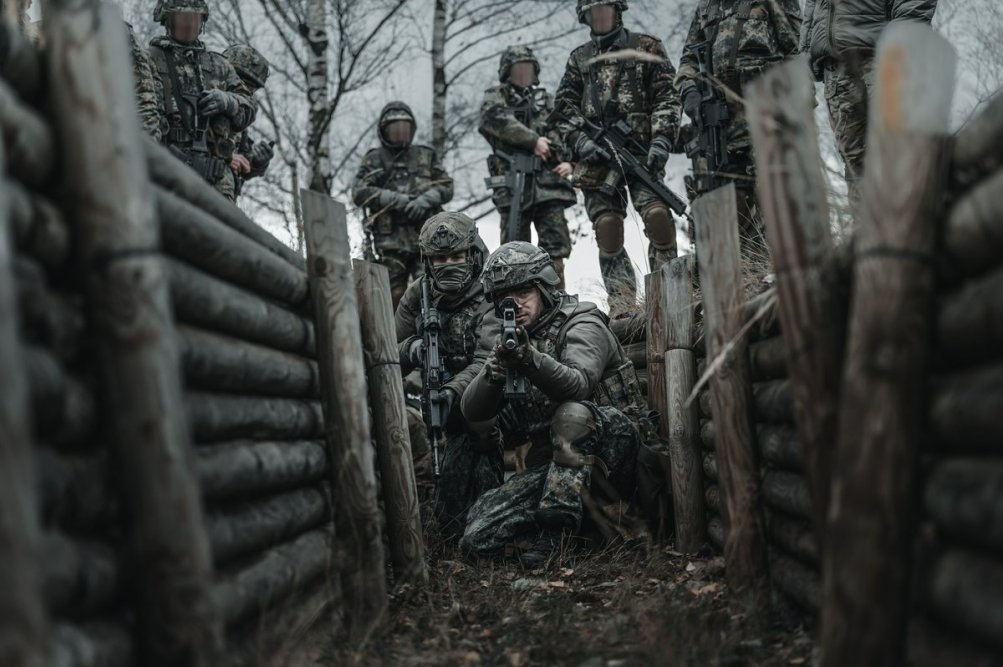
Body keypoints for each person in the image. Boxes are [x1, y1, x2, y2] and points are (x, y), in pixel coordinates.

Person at [458, 241, 647, 567]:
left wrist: (529, 359)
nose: (515, 304)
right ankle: (584, 535)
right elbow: (473, 412)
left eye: (523, 292)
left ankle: (554, 539)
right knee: (478, 534)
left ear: (544, 288)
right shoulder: (515, 339)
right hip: (563, 473)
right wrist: (494, 372)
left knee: (572, 414)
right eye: (504, 298)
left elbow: (578, 385)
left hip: (619, 456)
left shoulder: (582, 322)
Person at [554, 0, 681, 315]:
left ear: (618, 11)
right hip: (597, 160)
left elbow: (667, 96)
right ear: (585, 17)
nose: (599, 17)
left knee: (658, 218)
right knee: (608, 228)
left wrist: (662, 140)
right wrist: (580, 141)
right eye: (592, 12)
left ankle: (669, 298)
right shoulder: (580, 58)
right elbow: (563, 109)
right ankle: (623, 306)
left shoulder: (647, 47)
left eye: (605, 10)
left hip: (641, 154)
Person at [395, 212, 503, 538]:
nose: (449, 265)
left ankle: (491, 521)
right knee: (450, 509)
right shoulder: (417, 295)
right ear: (428, 261)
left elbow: (487, 358)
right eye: (440, 259)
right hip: (442, 402)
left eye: (457, 256)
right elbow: (388, 351)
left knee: (480, 430)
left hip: (494, 396)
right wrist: (413, 350)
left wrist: (453, 391)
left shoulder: (492, 291)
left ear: (472, 253)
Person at [675, 0, 801, 250]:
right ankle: (752, 263)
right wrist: (688, 89)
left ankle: (787, 257)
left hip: (768, 110)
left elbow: (797, 51)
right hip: (723, 119)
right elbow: (689, 59)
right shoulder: (707, 8)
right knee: (735, 196)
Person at [801, 0, 937, 207]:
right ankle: (865, 227)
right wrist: (805, 53)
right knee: (856, 168)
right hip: (836, 69)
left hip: (883, 59)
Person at [479, 45, 576, 288]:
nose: (523, 74)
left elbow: (571, 132)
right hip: (514, 186)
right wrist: (533, 141)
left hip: (548, 186)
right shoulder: (496, 97)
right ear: (506, 72)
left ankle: (556, 300)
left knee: (555, 250)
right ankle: (516, 300)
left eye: (528, 68)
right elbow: (493, 119)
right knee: (513, 252)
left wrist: (572, 162)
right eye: (517, 69)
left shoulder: (548, 101)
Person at [147, 0, 255, 201]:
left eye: (195, 18)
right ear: (168, 20)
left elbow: (249, 109)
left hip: (215, 179)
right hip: (165, 174)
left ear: (202, 21)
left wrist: (229, 102)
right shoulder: (149, 60)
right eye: (183, 18)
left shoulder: (219, 66)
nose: (190, 24)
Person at [352, 101, 454, 309]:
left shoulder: (426, 155)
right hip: (390, 244)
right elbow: (359, 192)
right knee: (391, 297)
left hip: (427, 239)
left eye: (404, 128)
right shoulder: (375, 159)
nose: (400, 133)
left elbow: (447, 186)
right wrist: (394, 200)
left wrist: (425, 200)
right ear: (384, 131)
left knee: (432, 292)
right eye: (395, 128)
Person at [223, 44, 274, 200]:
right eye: (239, 80)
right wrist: (224, 158)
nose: (244, 90)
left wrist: (255, 162)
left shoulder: (240, 117)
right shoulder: (201, 100)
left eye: (251, 87)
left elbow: (242, 163)